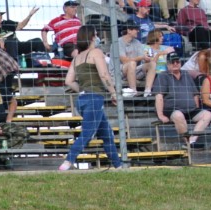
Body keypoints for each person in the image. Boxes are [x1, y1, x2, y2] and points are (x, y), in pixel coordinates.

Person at [59, 26, 123, 171]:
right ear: (92, 37)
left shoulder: (77, 58)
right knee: (87, 133)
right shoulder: (96, 52)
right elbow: (104, 75)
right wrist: (113, 93)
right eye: (96, 34)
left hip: (82, 99)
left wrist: (83, 90)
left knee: (106, 134)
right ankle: (68, 161)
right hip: (95, 98)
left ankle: (118, 165)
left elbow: (69, 81)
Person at [155, 51, 211, 147]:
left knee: (207, 114)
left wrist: (196, 107)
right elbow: (159, 96)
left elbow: (195, 94)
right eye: (172, 62)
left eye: (177, 61)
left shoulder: (186, 74)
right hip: (172, 110)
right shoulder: (163, 76)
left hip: (190, 109)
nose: (175, 64)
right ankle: (187, 142)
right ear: (168, 64)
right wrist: (160, 115)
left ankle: (192, 140)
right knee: (178, 115)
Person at [119, 22, 150, 95]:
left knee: (152, 64)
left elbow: (142, 57)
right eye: (136, 29)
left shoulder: (137, 42)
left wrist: (147, 58)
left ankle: (148, 90)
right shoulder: (118, 42)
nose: (138, 31)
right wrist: (141, 57)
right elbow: (124, 60)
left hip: (135, 70)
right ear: (129, 30)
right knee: (132, 63)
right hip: (120, 72)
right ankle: (133, 91)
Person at [143, 30, 175, 96]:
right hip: (155, 72)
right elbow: (151, 62)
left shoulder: (164, 48)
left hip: (166, 71)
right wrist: (160, 54)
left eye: (162, 36)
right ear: (154, 37)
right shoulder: (148, 48)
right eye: (160, 36)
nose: (162, 38)